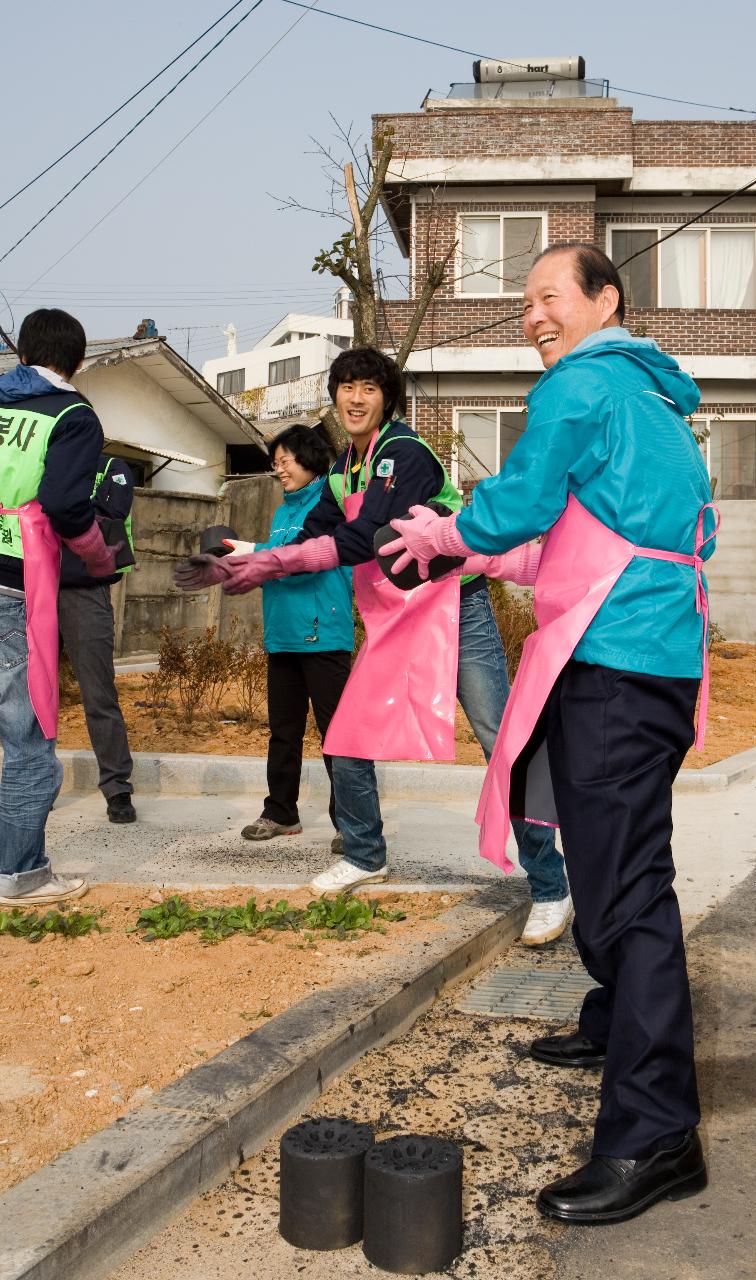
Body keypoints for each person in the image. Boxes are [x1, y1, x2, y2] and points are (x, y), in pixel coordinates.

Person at [383, 244, 717, 1224]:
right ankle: (616, 1022)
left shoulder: (580, 385)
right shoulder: (649, 402)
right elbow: (596, 534)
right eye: (523, 300)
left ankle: (656, 1134)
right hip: (650, 649)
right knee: (616, 856)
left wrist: (449, 532)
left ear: (603, 299)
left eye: (549, 295)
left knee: (623, 891)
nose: (532, 314)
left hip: (615, 659)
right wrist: (482, 550)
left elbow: (521, 506)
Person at [175, 347, 570, 946]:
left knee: (503, 738)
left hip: (454, 606)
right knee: (349, 732)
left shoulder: (402, 454)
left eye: (368, 387)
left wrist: (272, 563)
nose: (356, 398)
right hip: (394, 617)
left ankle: (552, 884)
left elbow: (363, 538)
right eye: (346, 387)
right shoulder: (343, 469)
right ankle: (364, 853)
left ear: (387, 397)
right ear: (334, 398)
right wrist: (246, 557)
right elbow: (311, 538)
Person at [0, 309, 120, 907]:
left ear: (23, 352)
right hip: (15, 585)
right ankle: (21, 872)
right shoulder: (73, 415)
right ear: (76, 362)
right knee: (28, 736)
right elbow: (67, 505)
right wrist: (98, 557)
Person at [225, 423, 353, 846]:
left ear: (309, 459)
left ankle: (351, 821)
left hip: (323, 634)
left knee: (336, 732)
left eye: (285, 461)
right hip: (282, 635)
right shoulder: (282, 511)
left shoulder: (330, 503)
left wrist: (252, 555)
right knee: (283, 730)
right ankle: (280, 812)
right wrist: (241, 562)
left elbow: (303, 560)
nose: (279, 470)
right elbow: (275, 565)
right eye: (274, 463)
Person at [58, 454, 136, 823]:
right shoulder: (41, 465)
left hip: (85, 591)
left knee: (98, 693)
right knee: (26, 695)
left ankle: (117, 786)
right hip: (30, 586)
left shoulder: (112, 467)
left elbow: (112, 510)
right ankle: (34, 783)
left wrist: (57, 509)